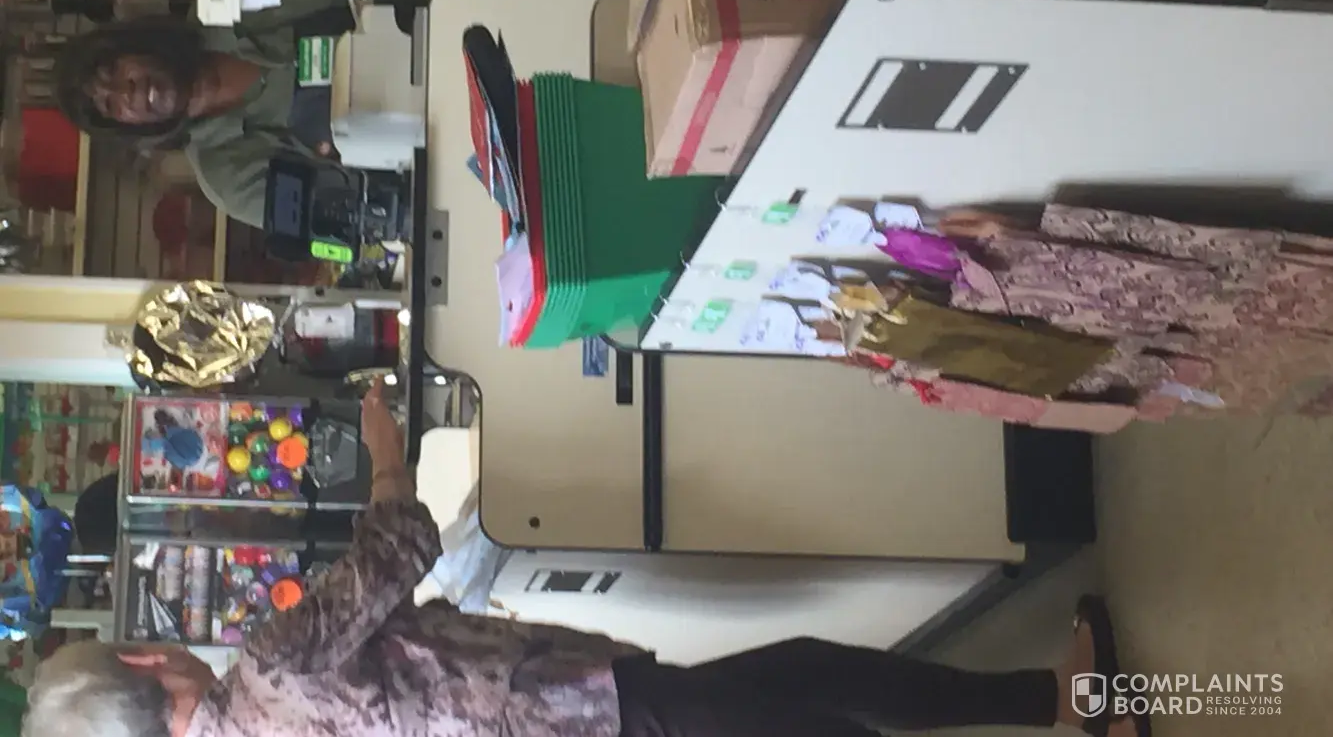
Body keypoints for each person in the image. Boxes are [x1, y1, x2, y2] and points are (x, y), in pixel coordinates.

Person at [22, 380, 1148, 737]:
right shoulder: (264, 667)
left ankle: (1047, 700)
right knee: (813, 686)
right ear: (144, 662)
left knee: (804, 694)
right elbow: (397, 546)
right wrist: (382, 450)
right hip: (572, 713)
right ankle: (1061, 700)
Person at [54, 0, 356, 229]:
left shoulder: (221, 1)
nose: (126, 92)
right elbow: (347, 215)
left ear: (132, 44)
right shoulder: (225, 179)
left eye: (113, 70)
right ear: (127, 129)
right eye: (111, 105)